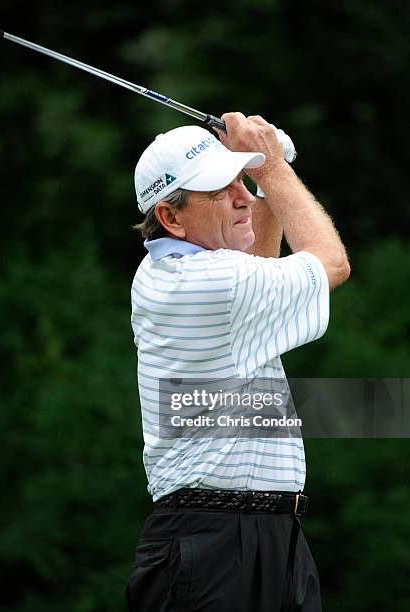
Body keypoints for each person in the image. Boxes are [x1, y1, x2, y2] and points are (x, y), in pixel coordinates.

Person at [126, 112, 350, 612]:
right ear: (171, 217)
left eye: (241, 181)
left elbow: (260, 271)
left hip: (266, 536)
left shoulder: (188, 272)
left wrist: (269, 183)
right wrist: (271, 168)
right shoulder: (205, 284)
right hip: (212, 544)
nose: (242, 197)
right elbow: (331, 261)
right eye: (218, 191)